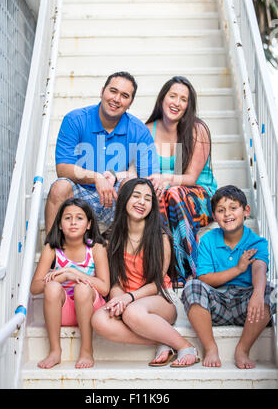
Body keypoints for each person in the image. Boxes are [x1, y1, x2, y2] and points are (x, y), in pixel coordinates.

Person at [91, 178, 200, 367]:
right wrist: (117, 300)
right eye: (136, 196)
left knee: (133, 312)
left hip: (159, 301)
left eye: (148, 198)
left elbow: (155, 284)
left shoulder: (161, 237)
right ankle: (161, 340)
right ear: (124, 199)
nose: (142, 202)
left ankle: (186, 346)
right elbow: (114, 281)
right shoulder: (110, 239)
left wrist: (128, 299)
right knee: (99, 320)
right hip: (127, 300)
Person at [45, 71, 161, 234]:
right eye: (113, 91)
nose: (116, 99)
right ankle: (52, 251)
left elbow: (147, 179)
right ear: (102, 91)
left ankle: (126, 250)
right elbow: (62, 168)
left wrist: (118, 176)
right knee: (59, 188)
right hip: (81, 192)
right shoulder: (75, 120)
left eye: (124, 95)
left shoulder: (139, 130)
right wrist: (96, 177)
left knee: (132, 187)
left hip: (116, 197)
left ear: (130, 102)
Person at [181, 185, 276, 369]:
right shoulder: (208, 240)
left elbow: (259, 269)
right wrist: (239, 269)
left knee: (272, 291)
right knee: (193, 286)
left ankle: (242, 349)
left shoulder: (257, 242)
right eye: (221, 210)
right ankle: (210, 348)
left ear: (246, 211)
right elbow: (205, 279)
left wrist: (257, 293)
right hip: (215, 305)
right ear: (215, 216)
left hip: (248, 308)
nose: (227, 214)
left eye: (233, 208)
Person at [146, 76, 217, 284]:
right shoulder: (147, 129)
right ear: (162, 99)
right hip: (169, 196)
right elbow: (140, 170)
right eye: (173, 96)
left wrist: (165, 178)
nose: (176, 103)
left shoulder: (197, 129)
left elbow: (191, 178)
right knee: (158, 194)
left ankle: (188, 269)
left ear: (188, 105)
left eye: (183, 99)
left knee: (173, 193)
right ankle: (164, 269)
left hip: (201, 197)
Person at [30, 197, 110, 369]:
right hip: (63, 313)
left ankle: (87, 350)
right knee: (51, 286)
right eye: (67, 218)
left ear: (88, 224)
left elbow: (104, 288)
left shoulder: (96, 247)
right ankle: (54, 351)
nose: (73, 222)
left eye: (79, 218)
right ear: (59, 224)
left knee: (82, 288)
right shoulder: (52, 249)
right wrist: (64, 276)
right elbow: (35, 288)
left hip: (91, 310)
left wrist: (73, 272)